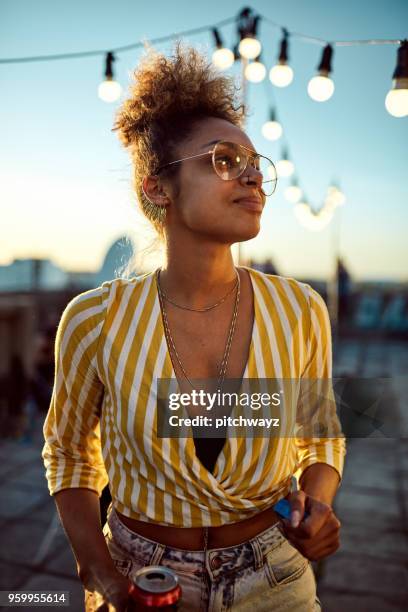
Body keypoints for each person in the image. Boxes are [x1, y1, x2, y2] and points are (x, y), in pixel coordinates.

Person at [42, 44, 346, 611]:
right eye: (225, 160)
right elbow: (70, 454)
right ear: (158, 188)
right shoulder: (93, 321)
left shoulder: (300, 310)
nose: (254, 176)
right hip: (141, 580)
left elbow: (320, 434)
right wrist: (103, 575)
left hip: (275, 578)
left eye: (257, 164)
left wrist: (316, 505)